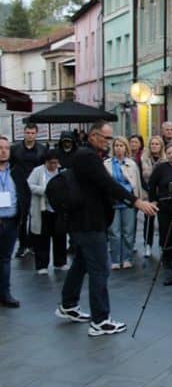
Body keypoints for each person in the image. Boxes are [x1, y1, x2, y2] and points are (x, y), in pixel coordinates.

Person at [55, 121, 157, 335]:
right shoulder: (88, 156)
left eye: (111, 138)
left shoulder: (88, 156)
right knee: (100, 269)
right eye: (106, 138)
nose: (109, 142)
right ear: (93, 136)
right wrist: (136, 201)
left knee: (81, 264)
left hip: (84, 222)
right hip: (89, 222)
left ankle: (68, 305)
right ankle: (100, 320)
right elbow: (108, 184)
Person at [0, 136, 31, 308]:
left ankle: (5, 293)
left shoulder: (15, 172)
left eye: (6, 148)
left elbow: (23, 193)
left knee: (5, 259)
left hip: (11, 221)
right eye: (0, 148)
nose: (3, 151)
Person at [104, 136, 142, 270]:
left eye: (121, 145)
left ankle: (127, 258)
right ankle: (115, 259)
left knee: (128, 231)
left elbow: (137, 184)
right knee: (114, 232)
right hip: (112, 202)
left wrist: (138, 200)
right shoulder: (107, 163)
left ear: (126, 148)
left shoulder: (131, 164)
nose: (118, 148)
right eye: (116, 145)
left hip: (128, 202)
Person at [147, 143, 172, 276]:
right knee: (166, 232)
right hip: (165, 205)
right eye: (169, 153)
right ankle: (167, 259)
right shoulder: (161, 168)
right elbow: (152, 185)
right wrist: (153, 200)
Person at [10, 123, 46, 258]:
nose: (30, 135)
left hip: (35, 186)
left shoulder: (42, 149)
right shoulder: (15, 149)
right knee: (22, 216)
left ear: (36, 134)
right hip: (20, 186)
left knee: (35, 216)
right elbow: (11, 166)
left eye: (32, 133)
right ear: (24, 133)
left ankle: (33, 244)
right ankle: (22, 245)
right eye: (28, 132)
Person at [28, 150, 66, 274]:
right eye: (51, 163)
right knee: (42, 238)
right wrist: (45, 190)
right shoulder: (38, 171)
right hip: (43, 209)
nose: (54, 165)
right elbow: (30, 185)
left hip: (58, 209)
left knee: (60, 236)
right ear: (46, 162)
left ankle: (60, 262)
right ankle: (42, 265)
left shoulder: (61, 171)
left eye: (56, 163)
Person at [140, 135, 166, 258]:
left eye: (157, 144)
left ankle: (162, 245)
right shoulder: (143, 159)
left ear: (161, 146)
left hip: (161, 195)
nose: (154, 146)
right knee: (148, 221)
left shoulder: (165, 160)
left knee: (162, 222)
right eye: (152, 144)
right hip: (147, 194)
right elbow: (141, 177)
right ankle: (148, 245)